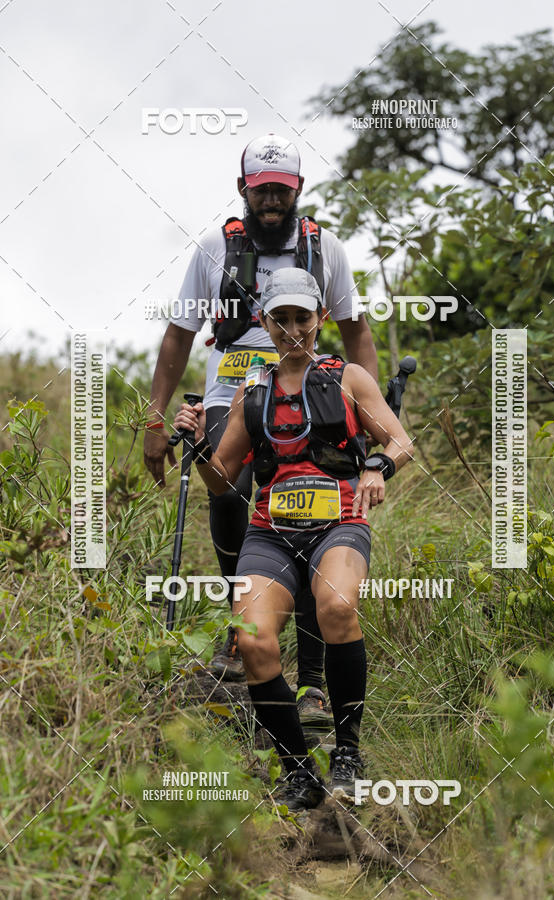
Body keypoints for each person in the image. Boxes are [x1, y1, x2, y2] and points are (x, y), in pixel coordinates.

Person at [144, 134, 378, 726]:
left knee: (314, 505)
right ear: (243, 190)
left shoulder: (327, 252)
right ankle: (243, 616)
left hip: (316, 385)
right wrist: (155, 418)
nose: (271, 200)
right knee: (229, 483)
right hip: (235, 387)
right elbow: (177, 333)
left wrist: (365, 414)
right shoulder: (213, 249)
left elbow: (356, 332)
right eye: (261, 190)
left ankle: (315, 678)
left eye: (282, 190)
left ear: (297, 190)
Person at [173, 268, 413, 810]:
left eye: (302, 318)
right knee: (254, 639)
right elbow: (223, 480)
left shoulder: (349, 378)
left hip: (339, 524)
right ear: (265, 322)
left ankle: (347, 754)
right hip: (271, 535)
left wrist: (376, 467)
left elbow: (400, 441)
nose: (292, 330)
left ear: (320, 318)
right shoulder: (250, 391)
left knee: (336, 606)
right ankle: (298, 770)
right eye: (280, 320)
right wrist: (194, 446)